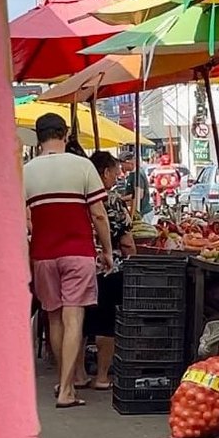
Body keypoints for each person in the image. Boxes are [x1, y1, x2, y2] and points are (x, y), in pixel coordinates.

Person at [24, 114, 114, 408]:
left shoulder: (27, 172)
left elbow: (22, 219)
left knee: (54, 317)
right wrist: (107, 250)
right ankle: (67, 389)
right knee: (74, 317)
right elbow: (99, 214)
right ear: (64, 134)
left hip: (43, 255)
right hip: (78, 252)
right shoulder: (82, 166)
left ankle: (67, 382)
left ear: (38, 138)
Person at [83, 151, 136, 390]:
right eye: (115, 173)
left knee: (77, 322)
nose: (117, 177)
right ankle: (102, 376)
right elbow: (126, 241)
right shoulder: (111, 200)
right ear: (104, 173)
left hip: (79, 265)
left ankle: (77, 375)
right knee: (105, 322)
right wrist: (131, 260)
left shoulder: (76, 197)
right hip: (108, 267)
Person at [118, 150, 153, 223]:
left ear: (128, 162)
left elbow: (139, 195)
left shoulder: (137, 174)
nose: (121, 167)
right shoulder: (133, 174)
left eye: (122, 164)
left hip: (143, 212)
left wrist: (121, 199)